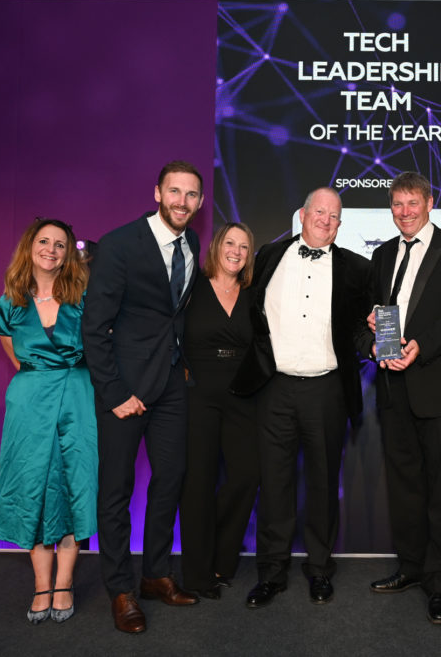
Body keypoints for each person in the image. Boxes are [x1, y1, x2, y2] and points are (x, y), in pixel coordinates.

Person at [231, 187, 369, 608]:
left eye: (334, 216)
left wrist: (382, 347)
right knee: (274, 483)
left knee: (324, 484)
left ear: (340, 223)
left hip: (327, 389)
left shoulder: (357, 268)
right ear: (303, 215)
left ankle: (320, 569)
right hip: (274, 388)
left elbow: (369, 323)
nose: (326, 221)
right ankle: (271, 573)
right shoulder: (268, 257)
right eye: (319, 212)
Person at [357, 171, 441, 624]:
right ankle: (411, 567)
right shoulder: (382, 254)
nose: (405, 212)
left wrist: (421, 346)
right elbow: (372, 317)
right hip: (394, 390)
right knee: (405, 488)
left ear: (430, 204)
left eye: (413, 203)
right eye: (397, 204)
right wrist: (374, 343)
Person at [82, 160, 203, 633]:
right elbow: (94, 327)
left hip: (171, 385)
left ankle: (155, 575)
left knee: (169, 481)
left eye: (191, 195)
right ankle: (120, 589)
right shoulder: (119, 244)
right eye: (174, 191)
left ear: (199, 202)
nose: (182, 202)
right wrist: (114, 392)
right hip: (123, 388)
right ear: (157, 193)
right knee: (116, 490)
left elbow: (173, 315)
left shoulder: (192, 243)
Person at [0, 218, 96, 625]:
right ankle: (41, 586)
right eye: (44, 241)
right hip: (29, 404)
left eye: (60, 244)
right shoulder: (8, 304)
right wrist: (42, 384)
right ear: (30, 248)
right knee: (31, 487)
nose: (51, 249)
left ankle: (64, 583)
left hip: (78, 400)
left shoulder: (84, 299)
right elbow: (16, 357)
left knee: (74, 486)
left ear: (68, 254)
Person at [179, 222, 258, 600]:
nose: (236, 251)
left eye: (243, 246)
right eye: (230, 243)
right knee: (197, 483)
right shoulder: (191, 286)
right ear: (216, 247)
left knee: (246, 476)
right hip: (199, 396)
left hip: (243, 396)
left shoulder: (253, 293)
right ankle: (196, 573)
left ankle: (221, 560)